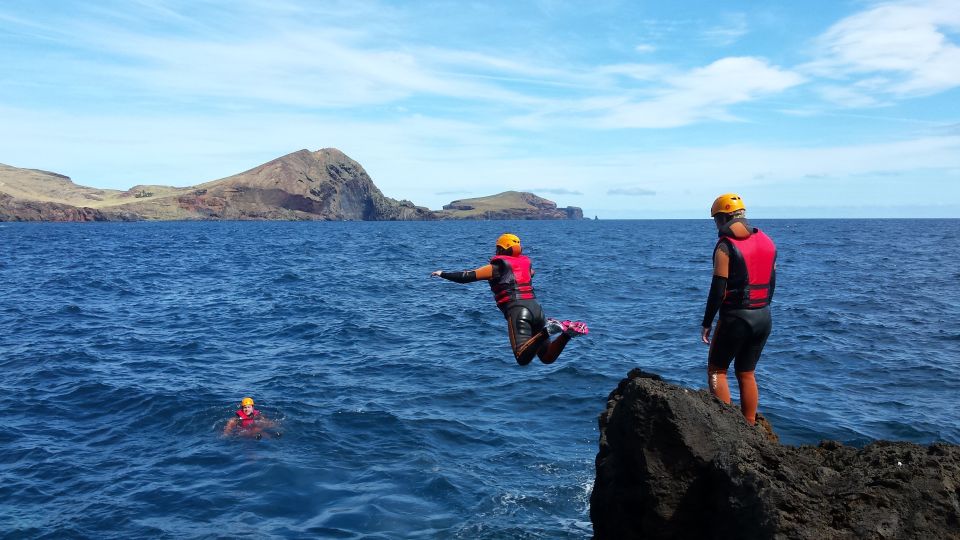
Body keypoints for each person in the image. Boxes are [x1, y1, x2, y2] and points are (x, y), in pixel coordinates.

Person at [431, 233, 588, 366]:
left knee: (522, 358)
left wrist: (442, 273)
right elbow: (531, 273)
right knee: (546, 357)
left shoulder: (496, 268)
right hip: (537, 309)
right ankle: (567, 334)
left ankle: (550, 330)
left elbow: (467, 277)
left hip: (518, 310)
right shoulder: (526, 265)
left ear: (501, 248)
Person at [700, 194, 777, 426]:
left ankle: (728, 427)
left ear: (723, 217)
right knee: (746, 373)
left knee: (717, 371)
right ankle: (750, 425)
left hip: (735, 318)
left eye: (716, 219)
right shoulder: (767, 241)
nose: (716, 224)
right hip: (763, 316)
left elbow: (718, 289)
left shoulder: (725, 246)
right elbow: (771, 283)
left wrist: (707, 323)